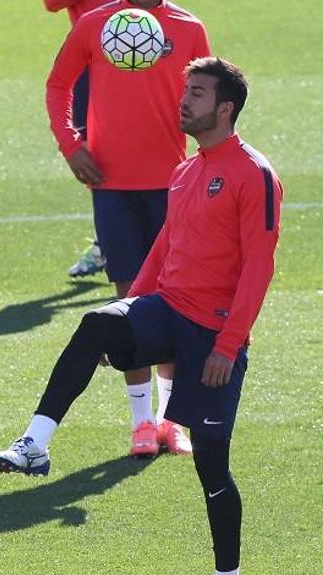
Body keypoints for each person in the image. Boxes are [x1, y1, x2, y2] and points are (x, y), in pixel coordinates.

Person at [0, 57, 283, 575]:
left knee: (212, 467)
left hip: (213, 335)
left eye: (196, 93)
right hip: (167, 311)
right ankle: (35, 443)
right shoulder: (186, 170)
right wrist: (128, 313)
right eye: (185, 91)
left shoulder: (253, 173)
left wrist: (228, 344)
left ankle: (228, 574)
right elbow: (164, 247)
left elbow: (259, 268)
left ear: (225, 107)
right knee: (97, 322)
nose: (183, 101)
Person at [45, 0, 210, 456]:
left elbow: (207, 99)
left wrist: (208, 165)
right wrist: (70, 145)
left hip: (174, 183)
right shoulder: (95, 22)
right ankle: (140, 423)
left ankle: (171, 420)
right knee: (129, 301)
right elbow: (59, 83)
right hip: (112, 186)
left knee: (177, 299)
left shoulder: (189, 27)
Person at [43, 0, 109, 278]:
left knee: (98, 155)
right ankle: (107, 240)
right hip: (107, 55)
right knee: (98, 156)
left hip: (101, 63)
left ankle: (109, 242)